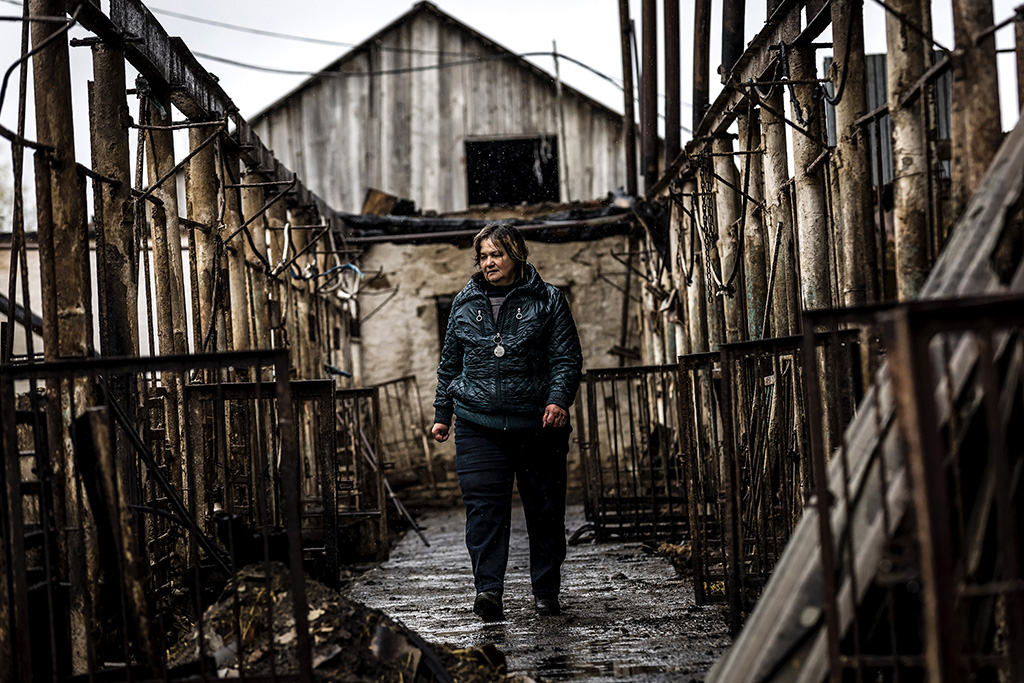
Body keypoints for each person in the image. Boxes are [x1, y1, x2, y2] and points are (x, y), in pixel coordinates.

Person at [431, 223, 583, 622]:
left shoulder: (548, 299)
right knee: (484, 510)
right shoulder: (464, 305)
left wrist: (557, 400)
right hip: (477, 423)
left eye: (496, 254)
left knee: (545, 512)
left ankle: (546, 592)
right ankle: (489, 592)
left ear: (516, 254)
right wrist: (442, 415)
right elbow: (449, 365)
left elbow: (566, 358)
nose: (488, 262)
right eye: (482, 256)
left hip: (537, 425)